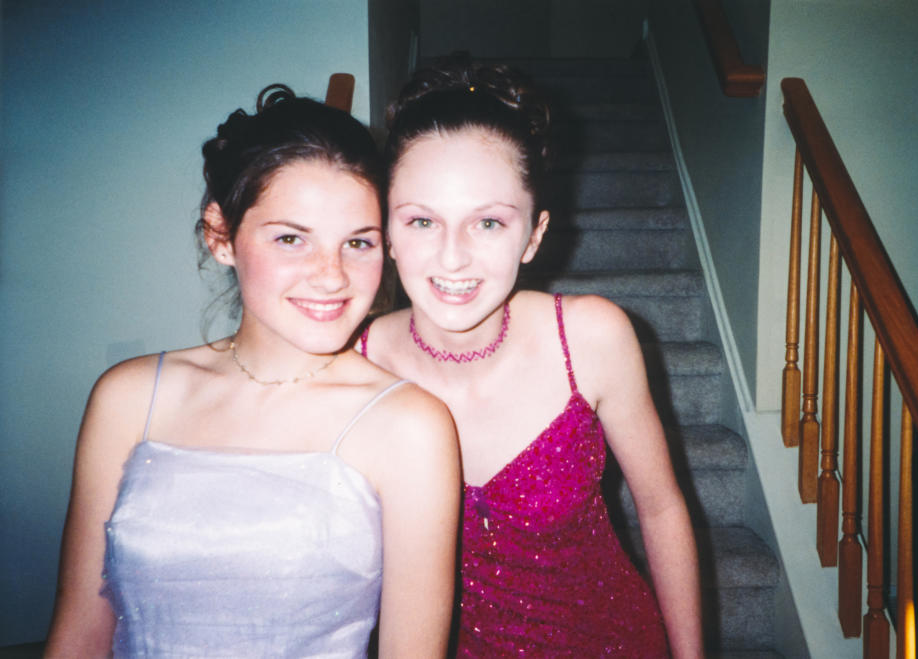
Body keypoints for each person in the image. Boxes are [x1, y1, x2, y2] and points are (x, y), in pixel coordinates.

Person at [45, 84, 461, 658]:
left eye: (358, 243)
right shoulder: (129, 397)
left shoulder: (410, 424)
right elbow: (78, 635)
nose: (332, 276)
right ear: (221, 235)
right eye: (292, 238)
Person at [358, 62, 704, 657]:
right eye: (421, 221)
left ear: (535, 236)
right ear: (387, 231)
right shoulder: (354, 364)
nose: (453, 257)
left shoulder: (591, 337)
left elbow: (663, 507)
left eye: (488, 222)